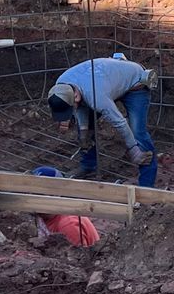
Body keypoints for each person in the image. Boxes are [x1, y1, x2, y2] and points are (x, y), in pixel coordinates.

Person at [46, 55, 156, 187]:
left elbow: (119, 122)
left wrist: (134, 149)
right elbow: (79, 107)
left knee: (138, 133)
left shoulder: (95, 96)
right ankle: (89, 165)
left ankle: (147, 185)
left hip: (135, 84)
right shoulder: (61, 85)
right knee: (88, 126)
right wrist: (83, 132)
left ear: (75, 95)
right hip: (107, 81)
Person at [29, 166, 100, 248]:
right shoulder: (43, 216)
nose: (31, 196)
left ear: (55, 195)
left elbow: (78, 257)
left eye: (39, 194)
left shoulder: (68, 225)